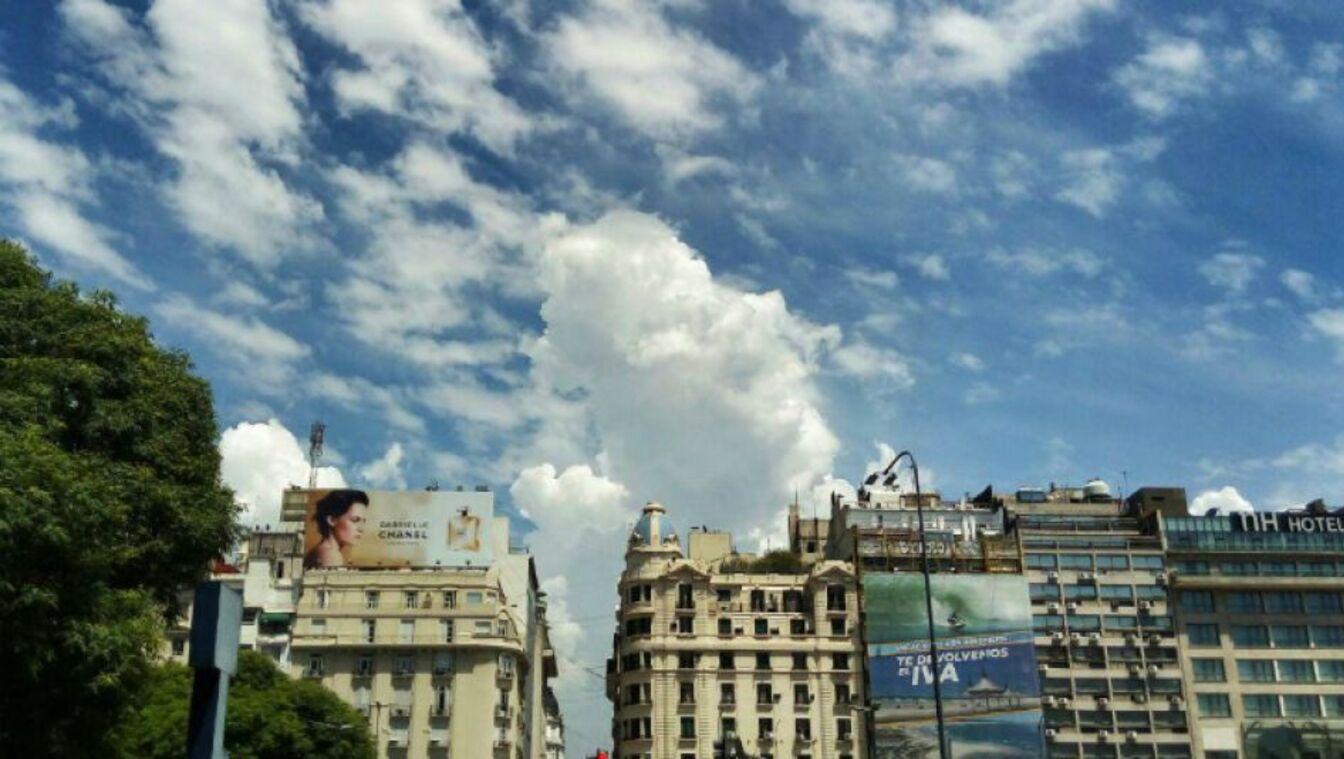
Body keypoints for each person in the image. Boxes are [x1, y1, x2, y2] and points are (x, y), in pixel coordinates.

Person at [304, 489, 370, 568]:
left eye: (363, 521)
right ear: (332, 520)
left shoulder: (324, 551)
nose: (361, 529)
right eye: (355, 520)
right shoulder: (329, 556)